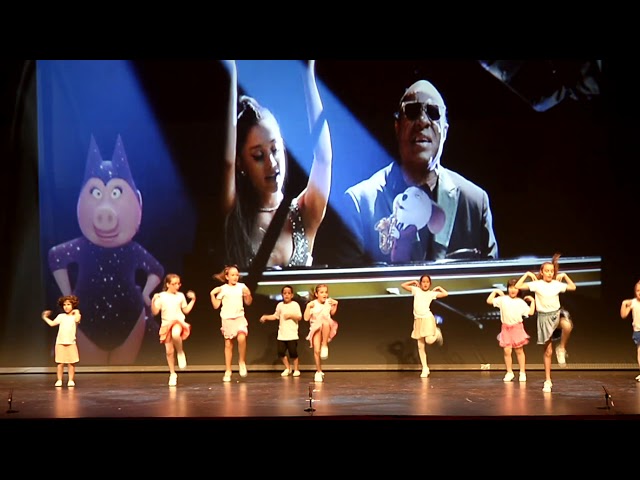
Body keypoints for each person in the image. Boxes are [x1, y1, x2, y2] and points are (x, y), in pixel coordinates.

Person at [335, 78, 497, 266]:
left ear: (445, 131)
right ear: (397, 127)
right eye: (412, 112)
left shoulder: (475, 203)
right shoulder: (359, 204)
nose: (422, 121)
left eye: (433, 113)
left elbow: (492, 281)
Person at [220, 60, 332, 270]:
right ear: (241, 163)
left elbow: (324, 159)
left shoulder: (305, 212)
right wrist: (232, 71)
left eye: (275, 149)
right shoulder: (234, 213)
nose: (271, 163)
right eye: (258, 156)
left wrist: (308, 74)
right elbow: (227, 162)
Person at [515, 254, 576, 393]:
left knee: (567, 325)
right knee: (548, 351)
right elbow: (518, 286)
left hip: (556, 314)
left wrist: (565, 276)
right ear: (542, 272)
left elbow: (573, 287)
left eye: (551, 271)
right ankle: (548, 380)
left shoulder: (556, 284)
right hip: (544, 318)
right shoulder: (537, 284)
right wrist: (527, 274)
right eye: (547, 271)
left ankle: (561, 348)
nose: (549, 273)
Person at [486, 278, 535, 383]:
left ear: (518, 290)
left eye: (515, 288)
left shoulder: (520, 302)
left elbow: (530, 312)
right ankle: (509, 372)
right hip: (506, 328)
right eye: (511, 287)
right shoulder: (503, 299)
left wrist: (533, 302)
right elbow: (489, 301)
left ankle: (522, 372)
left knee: (519, 350)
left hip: (517, 327)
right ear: (508, 288)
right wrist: (496, 291)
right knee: (507, 351)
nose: (513, 290)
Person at [150, 273, 195, 387]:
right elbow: (155, 312)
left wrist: (193, 300)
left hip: (178, 321)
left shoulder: (180, 296)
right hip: (166, 324)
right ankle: (172, 374)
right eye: (174, 284)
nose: (177, 286)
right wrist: (153, 300)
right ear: (168, 284)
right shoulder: (161, 296)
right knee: (169, 351)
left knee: (176, 334)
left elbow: (185, 310)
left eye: (178, 284)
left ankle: (180, 352)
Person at [210, 265, 253, 382]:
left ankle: (241, 362)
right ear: (227, 276)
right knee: (228, 345)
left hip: (239, 317)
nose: (235, 277)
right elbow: (216, 306)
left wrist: (248, 294)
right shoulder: (223, 289)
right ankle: (228, 370)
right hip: (227, 319)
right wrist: (212, 295)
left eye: (237, 275)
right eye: (232, 275)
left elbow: (248, 302)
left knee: (242, 338)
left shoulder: (242, 287)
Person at [400, 275, 448, 378]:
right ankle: (425, 368)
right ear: (420, 283)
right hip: (418, 320)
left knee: (429, 340)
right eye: (423, 282)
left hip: (427, 318)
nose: (425, 284)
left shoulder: (431, 294)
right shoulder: (416, 290)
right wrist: (413, 281)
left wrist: (439, 288)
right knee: (420, 346)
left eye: (427, 282)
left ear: (430, 284)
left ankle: (437, 333)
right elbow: (403, 285)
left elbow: (445, 294)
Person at [259, 285, 303, 377]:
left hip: (292, 334)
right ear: (282, 295)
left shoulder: (295, 305)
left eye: (288, 293)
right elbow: (275, 316)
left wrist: (290, 315)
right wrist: (266, 317)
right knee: (281, 353)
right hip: (282, 334)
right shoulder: (280, 305)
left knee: (293, 353)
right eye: (284, 293)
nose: (286, 295)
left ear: (292, 295)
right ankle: (287, 368)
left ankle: (296, 369)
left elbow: (299, 317)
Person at [41, 295, 82, 387]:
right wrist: (45, 317)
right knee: (60, 363)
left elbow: (77, 319)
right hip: (60, 343)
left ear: (73, 305)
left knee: (71, 363)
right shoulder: (61, 316)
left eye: (68, 304)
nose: (66, 307)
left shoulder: (75, 316)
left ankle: (71, 380)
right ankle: (59, 380)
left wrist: (77, 311)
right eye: (64, 305)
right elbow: (52, 324)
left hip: (71, 343)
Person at [303, 284, 338, 382]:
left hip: (326, 326)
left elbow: (332, 313)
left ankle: (325, 345)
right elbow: (306, 318)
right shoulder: (313, 304)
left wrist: (335, 305)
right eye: (322, 292)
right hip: (316, 328)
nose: (324, 294)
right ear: (316, 294)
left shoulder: (328, 302)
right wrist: (308, 307)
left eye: (326, 292)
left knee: (325, 322)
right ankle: (319, 371)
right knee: (316, 351)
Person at [619, 280, 640, 382]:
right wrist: (624, 304)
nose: (639, 293)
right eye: (638, 290)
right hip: (638, 331)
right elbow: (623, 315)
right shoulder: (633, 302)